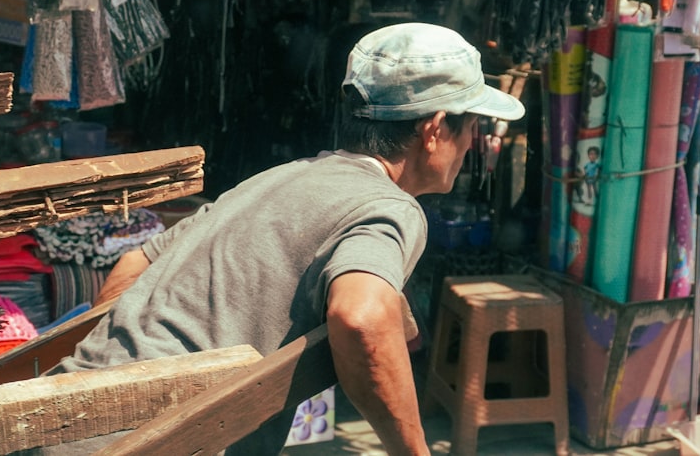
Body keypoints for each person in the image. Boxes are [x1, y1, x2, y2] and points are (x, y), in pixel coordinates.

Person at [47, 22, 525, 455]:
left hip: (64, 418)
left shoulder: (277, 177)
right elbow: (360, 317)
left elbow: (134, 264)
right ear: (435, 130)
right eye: (473, 125)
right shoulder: (391, 206)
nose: (472, 143)